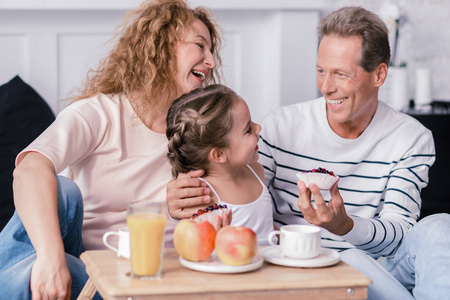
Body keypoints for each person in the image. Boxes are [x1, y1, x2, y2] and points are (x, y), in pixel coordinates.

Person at [166, 6, 450, 299]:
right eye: (321, 70)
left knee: (441, 226)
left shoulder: (411, 139)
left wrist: (345, 227)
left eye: (341, 74)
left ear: (378, 75)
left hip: (381, 268)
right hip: (301, 267)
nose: (326, 87)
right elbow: (229, 182)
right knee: (347, 260)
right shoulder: (279, 128)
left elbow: (399, 236)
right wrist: (184, 198)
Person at [0, 0, 223, 299]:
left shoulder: (199, 133)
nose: (211, 61)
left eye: (211, 51)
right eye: (200, 45)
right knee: (63, 193)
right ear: (162, 45)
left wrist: (173, 210)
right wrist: (51, 258)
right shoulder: (100, 113)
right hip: (79, 268)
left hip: (149, 277)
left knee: (64, 267)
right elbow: (29, 169)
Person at [166, 84, 273, 244]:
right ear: (219, 155)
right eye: (248, 130)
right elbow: (197, 246)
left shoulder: (256, 171)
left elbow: (266, 230)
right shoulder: (202, 194)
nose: (258, 127)